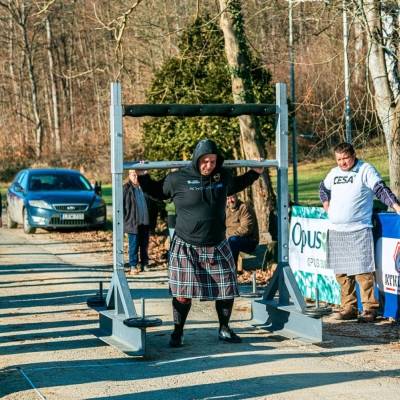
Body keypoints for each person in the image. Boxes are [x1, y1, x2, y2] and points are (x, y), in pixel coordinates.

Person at [137, 139, 263, 347]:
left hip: (217, 244)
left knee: (226, 289)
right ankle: (178, 332)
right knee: (183, 294)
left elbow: (239, 183)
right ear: (197, 159)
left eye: (213, 161)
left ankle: (224, 328)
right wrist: (143, 177)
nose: (209, 165)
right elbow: (157, 191)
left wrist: (255, 172)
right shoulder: (177, 179)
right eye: (205, 161)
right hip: (186, 245)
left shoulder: (222, 176)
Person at [319, 142, 400, 322]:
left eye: (345, 158)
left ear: (353, 155)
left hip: (359, 229)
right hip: (336, 230)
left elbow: (380, 189)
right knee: (342, 274)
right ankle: (348, 308)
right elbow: (323, 188)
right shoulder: (334, 173)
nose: (342, 163)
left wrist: (396, 206)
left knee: (363, 271)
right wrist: (326, 203)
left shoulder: (365, 170)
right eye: (339, 159)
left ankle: (370, 309)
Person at [123, 170, 150, 275]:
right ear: (129, 175)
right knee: (133, 245)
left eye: (137, 175)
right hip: (132, 222)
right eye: (133, 175)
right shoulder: (126, 188)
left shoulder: (144, 188)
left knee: (144, 245)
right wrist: (124, 223)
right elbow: (122, 207)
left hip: (145, 221)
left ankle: (144, 263)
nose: (136, 177)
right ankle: (133, 265)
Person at [226, 194, 259, 268]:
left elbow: (245, 229)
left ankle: (232, 270)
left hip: (248, 241)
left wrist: (228, 238)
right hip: (230, 239)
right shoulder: (226, 210)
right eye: (228, 198)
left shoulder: (244, 208)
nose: (230, 201)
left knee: (232, 241)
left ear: (237, 197)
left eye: (232, 197)